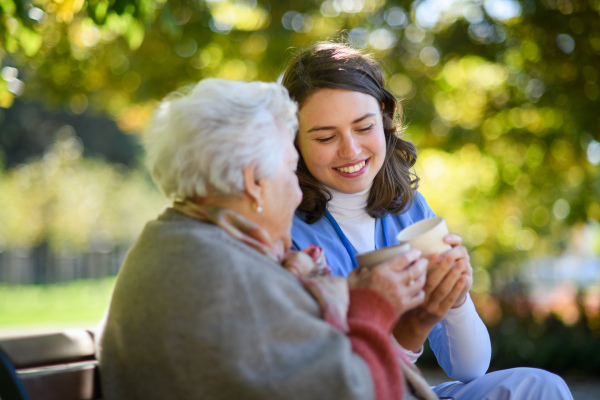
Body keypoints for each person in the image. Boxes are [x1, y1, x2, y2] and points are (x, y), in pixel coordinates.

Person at [96, 78, 438, 400]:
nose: (299, 196)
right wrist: (373, 306)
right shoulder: (221, 272)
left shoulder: (179, 246)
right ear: (253, 182)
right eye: (291, 171)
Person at [281, 42, 574, 400]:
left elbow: (469, 368)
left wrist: (455, 298)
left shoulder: (410, 210)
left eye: (363, 127)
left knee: (540, 387)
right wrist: (411, 328)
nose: (351, 151)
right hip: (348, 391)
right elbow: (338, 385)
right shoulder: (288, 231)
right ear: (293, 139)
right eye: (326, 137)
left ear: (384, 114)